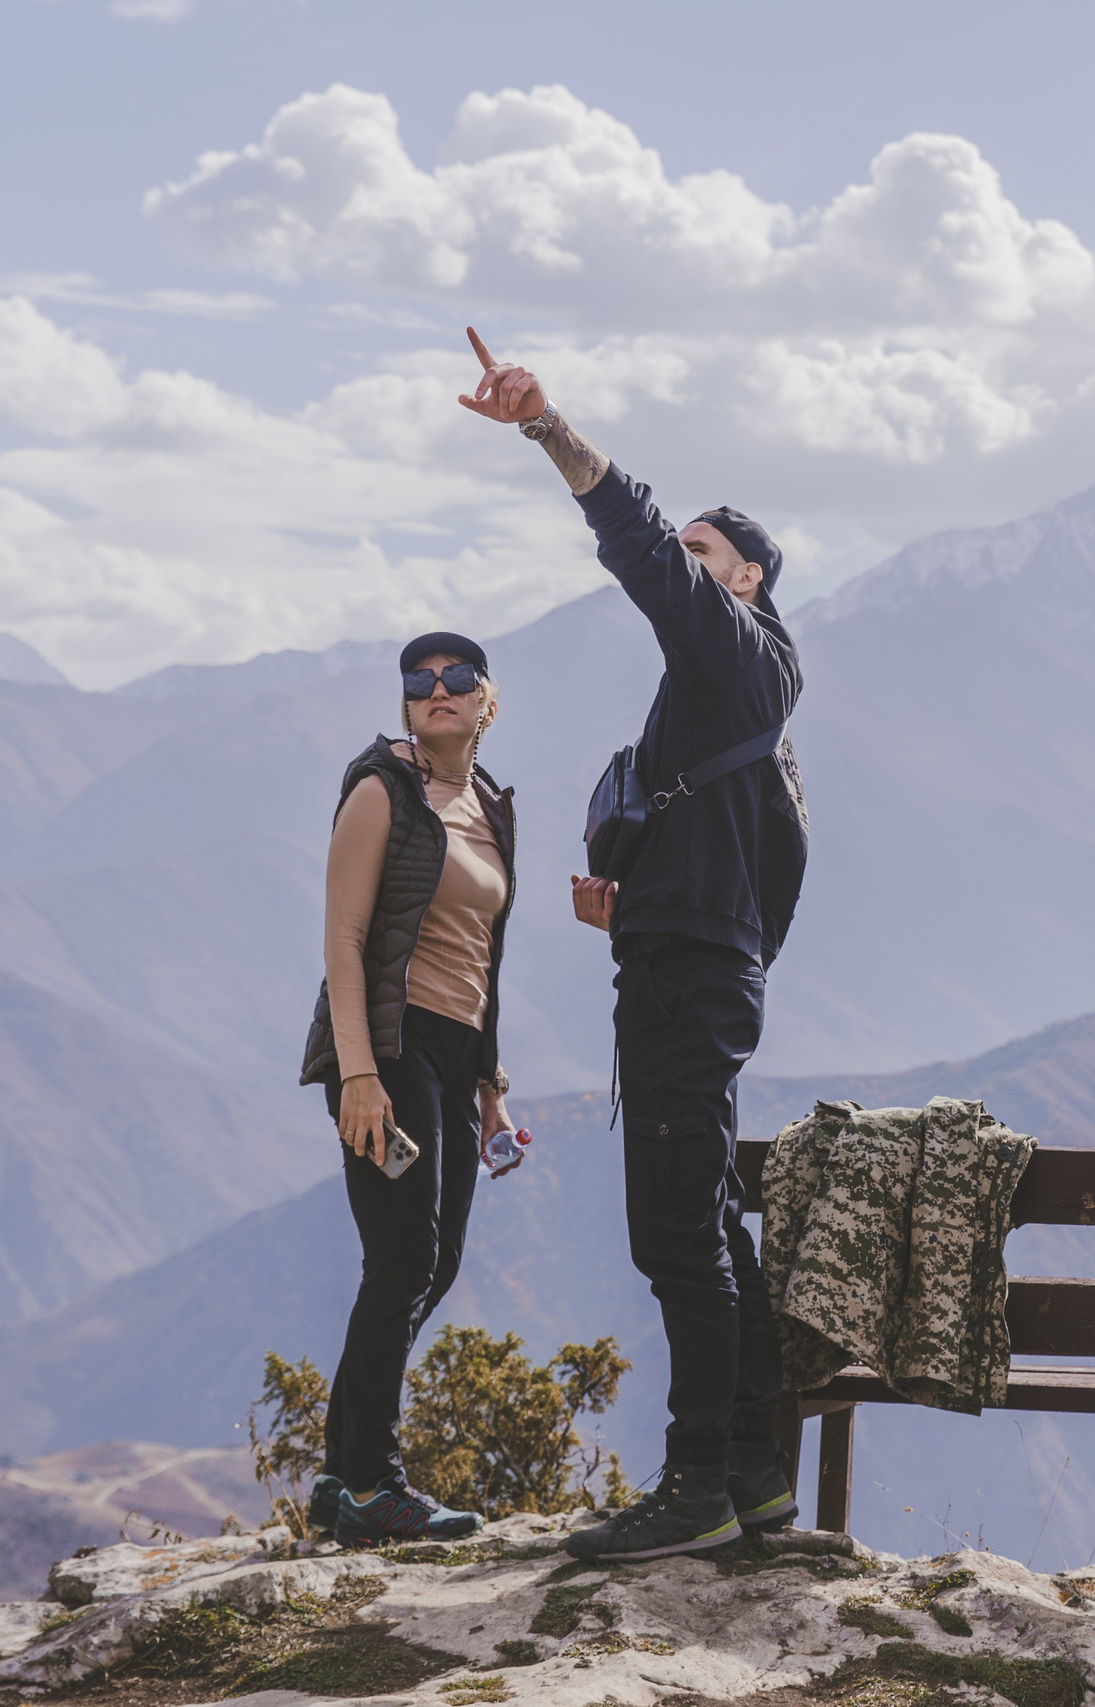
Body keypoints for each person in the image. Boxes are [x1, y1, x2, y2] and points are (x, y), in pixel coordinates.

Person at [457, 328, 809, 1561]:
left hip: (687, 992)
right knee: (707, 1226)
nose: (690, 570)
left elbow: (645, 544)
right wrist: (649, 900)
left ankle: (696, 1485)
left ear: (750, 580)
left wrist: (549, 427)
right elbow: (763, 875)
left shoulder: (735, 654)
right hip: (689, 969)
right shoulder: (736, 702)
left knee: (673, 1235)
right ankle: (754, 1479)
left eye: (712, 558)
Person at [297, 632, 524, 1546]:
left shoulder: (492, 806)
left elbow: (485, 959)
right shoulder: (379, 792)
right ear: (404, 704)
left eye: (457, 677)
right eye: (418, 680)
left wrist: (491, 1085)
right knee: (401, 1260)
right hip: (385, 1048)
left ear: (486, 701)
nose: (437, 689)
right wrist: (358, 1073)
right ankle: (373, 1484)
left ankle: (340, 1472)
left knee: (438, 1260)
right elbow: (343, 940)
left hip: (452, 1052)